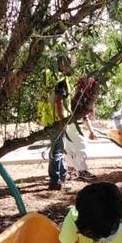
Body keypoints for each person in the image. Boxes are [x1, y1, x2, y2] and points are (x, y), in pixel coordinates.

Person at [41, 57, 74, 191]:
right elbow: (58, 101)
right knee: (58, 151)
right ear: (63, 65)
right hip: (57, 121)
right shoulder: (61, 81)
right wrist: (62, 119)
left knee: (56, 149)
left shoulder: (50, 77)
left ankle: (62, 174)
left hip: (49, 119)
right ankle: (55, 180)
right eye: (70, 65)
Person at [65, 75, 100, 183]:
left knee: (70, 148)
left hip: (69, 125)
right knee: (81, 148)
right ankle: (82, 171)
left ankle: (70, 169)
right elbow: (84, 117)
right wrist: (91, 131)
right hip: (75, 126)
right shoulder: (82, 98)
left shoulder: (75, 97)